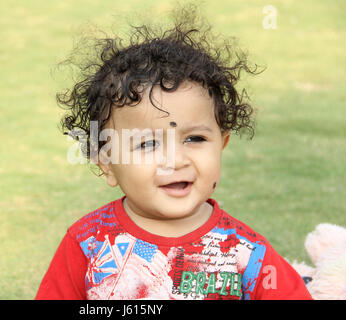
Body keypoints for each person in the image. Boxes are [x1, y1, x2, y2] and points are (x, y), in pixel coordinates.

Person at [35, 5, 312, 300]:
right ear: (107, 164)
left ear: (222, 144)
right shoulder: (87, 245)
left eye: (194, 138)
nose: (176, 160)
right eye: (148, 144)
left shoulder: (246, 254)